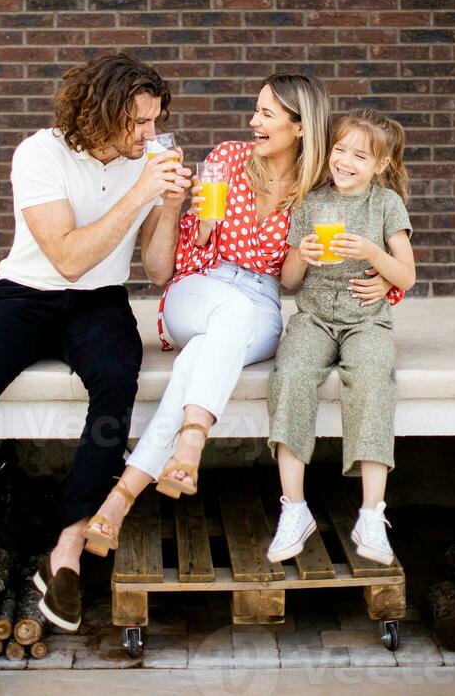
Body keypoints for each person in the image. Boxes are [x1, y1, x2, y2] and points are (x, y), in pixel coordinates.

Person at [0, 53, 191, 651]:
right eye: (137, 122)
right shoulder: (38, 154)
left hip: (99, 304)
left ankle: (66, 549)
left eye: (155, 121)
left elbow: (158, 268)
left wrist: (166, 204)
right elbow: (66, 258)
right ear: (100, 112)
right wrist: (141, 188)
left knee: (117, 384)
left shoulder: (146, 162)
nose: (149, 135)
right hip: (25, 297)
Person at [82, 73, 336, 557]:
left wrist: (304, 253)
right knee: (226, 314)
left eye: (266, 113)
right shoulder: (228, 158)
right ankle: (193, 442)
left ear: (301, 127)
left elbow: (287, 281)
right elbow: (190, 253)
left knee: (196, 360)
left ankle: (118, 500)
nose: (253, 120)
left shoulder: (318, 189)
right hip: (200, 287)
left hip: (261, 303)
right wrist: (202, 223)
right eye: (256, 110)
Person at [266, 108, 415, 567]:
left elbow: (406, 275)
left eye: (360, 155)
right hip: (314, 317)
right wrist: (303, 254)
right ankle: (294, 508)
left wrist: (373, 252)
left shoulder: (385, 203)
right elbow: (290, 280)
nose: (345, 160)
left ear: (380, 165)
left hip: (366, 319)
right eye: (340, 149)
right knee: (290, 374)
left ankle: (372, 512)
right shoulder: (311, 202)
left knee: (372, 379)